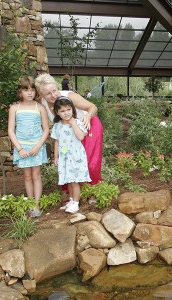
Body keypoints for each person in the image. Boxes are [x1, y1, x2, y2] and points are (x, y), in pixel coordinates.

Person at [35, 74, 103, 188]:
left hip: (89, 124)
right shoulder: (42, 103)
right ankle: (73, 193)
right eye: (48, 93)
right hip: (69, 134)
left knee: (90, 160)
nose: (53, 95)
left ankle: (92, 191)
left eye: (54, 90)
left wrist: (88, 116)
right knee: (69, 161)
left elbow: (93, 107)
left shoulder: (69, 96)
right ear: (41, 95)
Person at [8, 76, 49, 217]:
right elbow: (10, 131)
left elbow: (46, 130)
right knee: (27, 176)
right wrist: (20, 149)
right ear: (20, 92)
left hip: (36, 147)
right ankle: (30, 203)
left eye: (32, 90)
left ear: (36, 92)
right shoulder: (14, 108)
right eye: (26, 90)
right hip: (22, 148)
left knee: (36, 175)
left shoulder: (40, 108)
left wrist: (38, 146)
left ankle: (36, 205)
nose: (29, 93)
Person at [51, 96, 91, 213]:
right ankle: (71, 200)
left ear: (72, 109)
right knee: (69, 180)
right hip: (64, 156)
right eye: (62, 111)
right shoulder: (57, 126)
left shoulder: (78, 122)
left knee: (74, 181)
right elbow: (57, 142)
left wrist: (73, 123)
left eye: (68, 109)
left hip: (75, 156)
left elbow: (80, 137)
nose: (66, 113)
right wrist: (56, 157)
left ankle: (76, 203)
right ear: (57, 112)